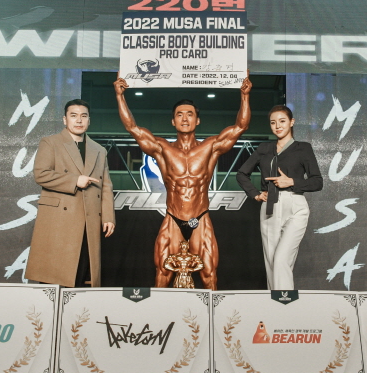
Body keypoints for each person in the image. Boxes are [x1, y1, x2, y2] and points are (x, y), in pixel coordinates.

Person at [114, 74, 252, 290]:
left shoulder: (210, 147)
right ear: (173, 121)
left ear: (197, 120)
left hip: (200, 219)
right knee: (162, 274)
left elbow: (240, 126)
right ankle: (162, 312)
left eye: (190, 114)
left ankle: (210, 313)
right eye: (180, 115)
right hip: (173, 219)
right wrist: (120, 96)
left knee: (209, 275)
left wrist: (244, 96)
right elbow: (133, 128)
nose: (185, 119)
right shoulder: (162, 149)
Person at [25, 99, 115, 287]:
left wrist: (108, 216)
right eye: (73, 116)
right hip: (59, 220)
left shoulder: (99, 150)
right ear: (65, 120)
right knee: (54, 279)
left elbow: (106, 185)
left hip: (89, 220)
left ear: (89, 120)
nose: (79, 120)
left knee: (82, 277)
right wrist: (75, 181)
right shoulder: (50, 143)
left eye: (83, 116)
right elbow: (41, 174)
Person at [236, 105, 323, 290]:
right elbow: (241, 174)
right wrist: (256, 194)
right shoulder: (264, 148)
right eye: (273, 122)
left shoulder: (303, 148)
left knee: (282, 258)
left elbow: (317, 182)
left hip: (296, 205)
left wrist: (291, 181)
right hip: (270, 206)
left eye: (282, 121)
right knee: (271, 262)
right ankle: (276, 302)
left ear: (291, 122)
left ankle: (284, 302)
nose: (277, 126)